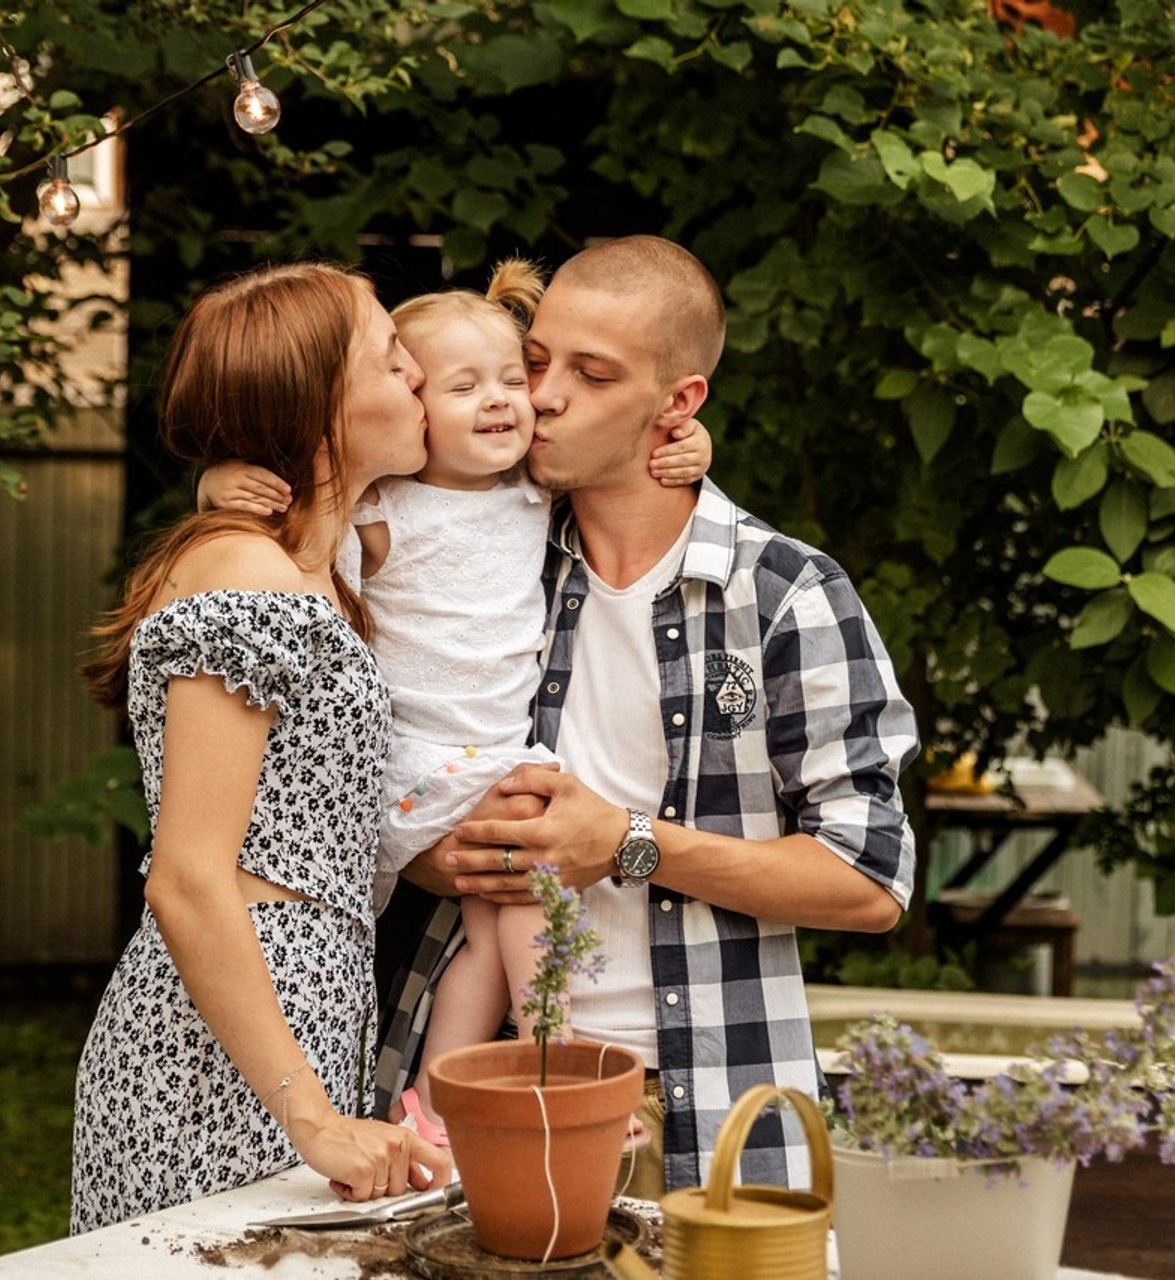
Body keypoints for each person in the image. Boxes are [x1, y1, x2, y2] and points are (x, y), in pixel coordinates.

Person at [376, 234, 919, 1201]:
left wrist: (627, 843)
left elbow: (870, 880)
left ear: (680, 404)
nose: (541, 395)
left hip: (711, 1099)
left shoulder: (784, 594)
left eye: (591, 374)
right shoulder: (481, 566)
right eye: (535, 360)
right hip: (476, 1084)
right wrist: (433, 852)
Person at [200, 259, 710, 1146]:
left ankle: (437, 1106)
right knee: (531, 890)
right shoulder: (385, 506)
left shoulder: (534, 492)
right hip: (423, 760)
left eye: (514, 377)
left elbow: (620, 447)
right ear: (417, 410)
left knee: (488, 928)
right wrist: (220, 487)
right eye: (463, 385)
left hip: (483, 755)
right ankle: (558, 1069)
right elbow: (294, 529)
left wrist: (691, 448)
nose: (510, 401)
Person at [71, 261, 452, 1234]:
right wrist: (315, 1118)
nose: (417, 375)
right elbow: (188, 875)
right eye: (389, 357)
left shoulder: (314, 568)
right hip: (207, 1054)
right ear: (315, 400)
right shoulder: (240, 570)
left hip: (299, 1016)